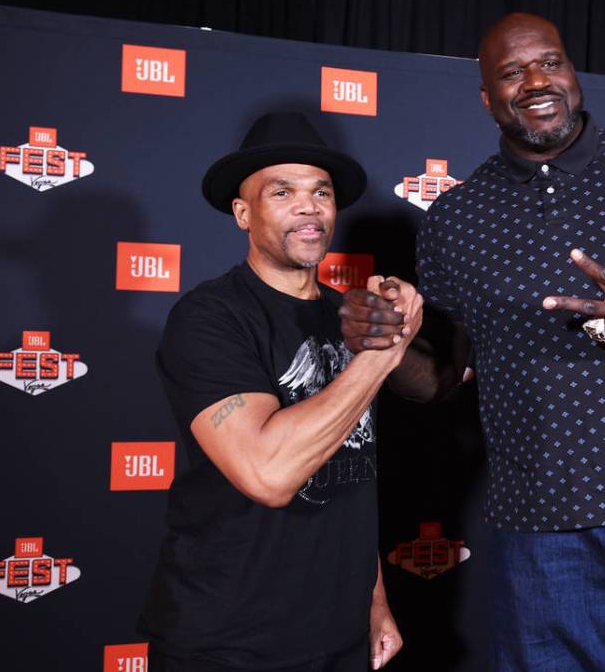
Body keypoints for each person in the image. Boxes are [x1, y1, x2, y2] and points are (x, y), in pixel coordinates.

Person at [340, 13, 605, 670]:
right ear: (487, 99)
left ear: (573, 74)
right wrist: (386, 347)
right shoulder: (455, 220)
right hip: (545, 549)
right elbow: (437, 380)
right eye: (512, 72)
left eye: (550, 61)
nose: (536, 81)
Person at [139, 112, 420, 671]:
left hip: (338, 634)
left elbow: (353, 468)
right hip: (229, 641)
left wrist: (374, 601)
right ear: (243, 213)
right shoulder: (210, 317)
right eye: (282, 191)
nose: (309, 206)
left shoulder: (349, 316)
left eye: (321, 191)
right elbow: (268, 475)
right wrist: (384, 353)